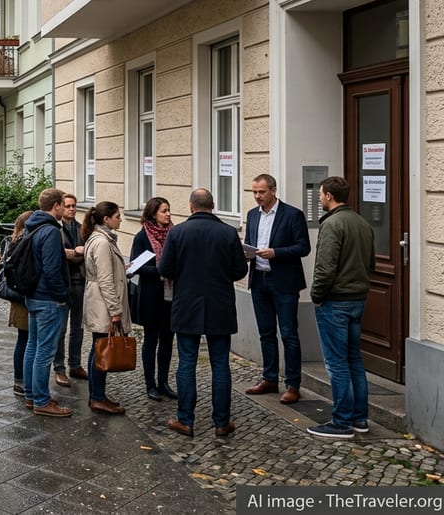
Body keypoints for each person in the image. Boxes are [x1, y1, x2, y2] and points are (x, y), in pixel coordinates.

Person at [158, 189, 248, 438]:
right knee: (220, 364)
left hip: (187, 305)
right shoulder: (228, 233)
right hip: (220, 306)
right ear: (213, 206)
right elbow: (240, 271)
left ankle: (185, 420)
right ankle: (222, 422)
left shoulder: (177, 232)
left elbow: (165, 268)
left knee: (186, 363)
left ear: (190, 207)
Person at [308, 176, 375, 440]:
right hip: (358, 298)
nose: (320, 198)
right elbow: (371, 264)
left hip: (335, 301)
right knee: (354, 360)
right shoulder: (362, 222)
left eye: (322, 194)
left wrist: (316, 295)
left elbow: (325, 267)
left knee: (336, 363)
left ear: (329, 196)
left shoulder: (333, 224)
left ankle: (341, 422)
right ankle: (360, 418)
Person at [243, 174, 312, 405]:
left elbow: (303, 247)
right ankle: (269, 378)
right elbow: (248, 240)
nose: (257, 197)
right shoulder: (252, 215)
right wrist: (246, 253)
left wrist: (276, 253)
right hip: (259, 280)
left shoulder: (292, 215)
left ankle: (293, 384)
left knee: (289, 333)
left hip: (284, 281)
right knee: (265, 332)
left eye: (261, 192)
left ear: (273, 190)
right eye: (254, 192)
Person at [22, 189, 73, 418]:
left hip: (32, 295)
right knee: (44, 351)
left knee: (32, 347)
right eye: (64, 204)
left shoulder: (31, 225)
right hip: (48, 298)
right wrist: (62, 294)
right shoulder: (51, 231)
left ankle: (31, 395)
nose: (65, 208)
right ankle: (42, 400)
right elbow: (52, 269)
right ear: (56, 206)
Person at [81, 202, 131, 415]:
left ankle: (97, 394)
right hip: (102, 303)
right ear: (106, 219)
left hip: (99, 300)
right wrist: (115, 310)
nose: (120, 219)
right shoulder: (102, 242)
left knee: (98, 348)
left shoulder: (100, 238)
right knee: (101, 349)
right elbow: (105, 279)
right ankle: (97, 397)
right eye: (117, 216)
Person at [131, 197, 177, 401]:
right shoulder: (142, 236)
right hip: (151, 296)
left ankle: (164, 382)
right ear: (153, 214)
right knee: (151, 340)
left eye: (168, 210)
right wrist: (160, 270)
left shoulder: (174, 234)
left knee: (168, 341)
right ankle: (150, 384)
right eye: (163, 211)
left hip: (171, 295)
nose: (168, 214)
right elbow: (136, 266)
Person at [54, 194, 86, 387]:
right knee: (61, 329)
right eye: (68, 206)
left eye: (74, 206)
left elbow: (87, 250)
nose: (72, 209)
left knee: (78, 327)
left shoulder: (81, 228)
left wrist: (74, 254)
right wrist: (75, 253)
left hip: (80, 280)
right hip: (64, 281)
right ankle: (59, 367)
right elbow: (59, 253)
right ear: (61, 208)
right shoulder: (56, 229)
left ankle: (75, 364)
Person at [2, 211, 32, 398]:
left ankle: (21, 380)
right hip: (22, 298)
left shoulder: (15, 241)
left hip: (19, 297)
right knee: (25, 339)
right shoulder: (22, 243)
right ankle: (20, 381)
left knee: (24, 338)